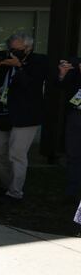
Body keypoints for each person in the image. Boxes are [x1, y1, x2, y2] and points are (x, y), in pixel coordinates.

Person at [0, 32, 47, 200]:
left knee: (16, 154)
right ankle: (7, 185)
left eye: (17, 49)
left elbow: (31, 85)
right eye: (10, 49)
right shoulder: (7, 61)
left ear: (28, 48)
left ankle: (15, 193)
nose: (12, 52)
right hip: (6, 114)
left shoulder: (39, 61)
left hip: (27, 115)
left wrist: (19, 66)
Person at [57, 57, 81, 203]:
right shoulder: (76, 69)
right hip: (76, 115)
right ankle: (72, 191)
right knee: (73, 154)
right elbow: (61, 85)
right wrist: (62, 73)